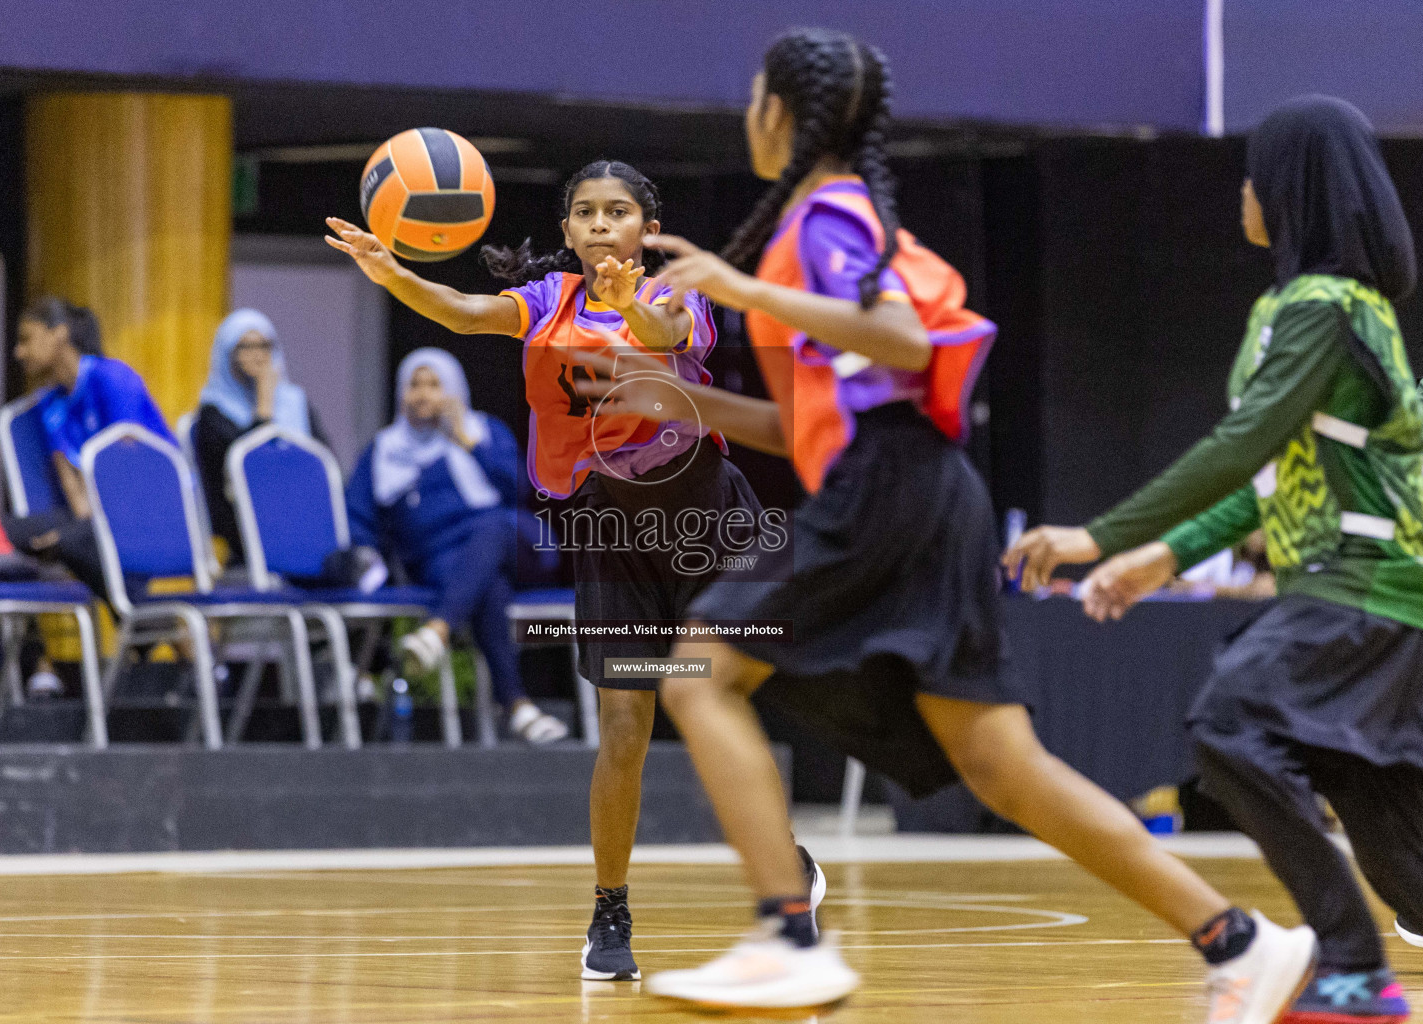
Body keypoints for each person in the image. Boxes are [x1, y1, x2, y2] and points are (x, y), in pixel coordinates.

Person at [564, 29, 1316, 1021]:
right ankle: (1241, 939)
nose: (748, 114)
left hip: (891, 486)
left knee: (700, 667)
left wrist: (740, 289)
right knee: (1002, 764)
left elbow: (903, 340)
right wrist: (676, 398)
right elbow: (809, 424)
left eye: (755, 99)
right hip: (924, 485)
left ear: (784, 117)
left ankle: (789, 930)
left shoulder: (822, 219)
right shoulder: (841, 221)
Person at [325, 160, 822, 984]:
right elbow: (461, 311)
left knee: (711, 704)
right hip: (611, 533)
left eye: (617, 211)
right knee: (625, 725)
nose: (599, 225)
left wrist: (632, 309)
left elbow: (665, 337)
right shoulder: (544, 303)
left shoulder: (674, 297)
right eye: (584, 212)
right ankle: (611, 910)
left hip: (707, 522)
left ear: (645, 228)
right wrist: (391, 271)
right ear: (565, 233)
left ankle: (785, 870)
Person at [1007, 96, 1420, 1023]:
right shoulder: (1338, 307)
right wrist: (1165, 553)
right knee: (1386, 821)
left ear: (1290, 190)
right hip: (1376, 590)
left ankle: (1352, 971)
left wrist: (1100, 535)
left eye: (1253, 172)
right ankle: (1358, 966)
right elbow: (1270, 469)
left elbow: (1242, 444)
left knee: (1232, 723)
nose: (1242, 189)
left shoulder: (1319, 308)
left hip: (1368, 584)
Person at [345, 347, 570, 745]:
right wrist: (367, 559)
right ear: (401, 393)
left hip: (518, 546)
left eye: (435, 384)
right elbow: (358, 518)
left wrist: (468, 443)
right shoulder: (384, 451)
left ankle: (438, 626)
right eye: (415, 384)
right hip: (439, 558)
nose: (423, 394)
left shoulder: (484, 430)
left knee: (493, 526)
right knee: (486, 587)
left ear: (454, 390)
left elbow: (523, 491)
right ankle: (518, 706)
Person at [6, 297, 173, 595]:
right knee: (4, 533)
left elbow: (132, 470)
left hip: (151, 509)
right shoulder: (50, 406)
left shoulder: (113, 378)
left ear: (59, 334)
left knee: (69, 541)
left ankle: (154, 623)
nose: (18, 352)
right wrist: (72, 531)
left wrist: (69, 536)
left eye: (26, 339)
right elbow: (78, 500)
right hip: (94, 517)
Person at [195, 308, 328, 564]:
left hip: (302, 519)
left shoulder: (294, 402)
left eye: (264, 345)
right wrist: (264, 405)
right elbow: (246, 469)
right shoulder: (213, 413)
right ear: (226, 353)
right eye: (245, 346)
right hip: (245, 529)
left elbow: (323, 463)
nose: (257, 355)